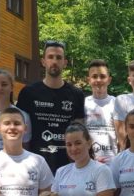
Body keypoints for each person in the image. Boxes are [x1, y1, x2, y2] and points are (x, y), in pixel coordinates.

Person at [16, 41, 85, 173]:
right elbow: (21, 133)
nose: (54, 61)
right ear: (43, 61)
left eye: (59, 58)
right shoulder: (28, 93)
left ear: (65, 62)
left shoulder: (76, 94)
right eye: (50, 57)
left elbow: (79, 132)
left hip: (67, 165)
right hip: (35, 164)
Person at [84, 59, 118, 164]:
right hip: (88, 162)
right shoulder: (82, 104)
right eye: (94, 76)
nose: (98, 80)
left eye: (102, 76)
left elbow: (122, 138)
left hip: (113, 163)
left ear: (109, 80)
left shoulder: (117, 103)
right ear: (88, 80)